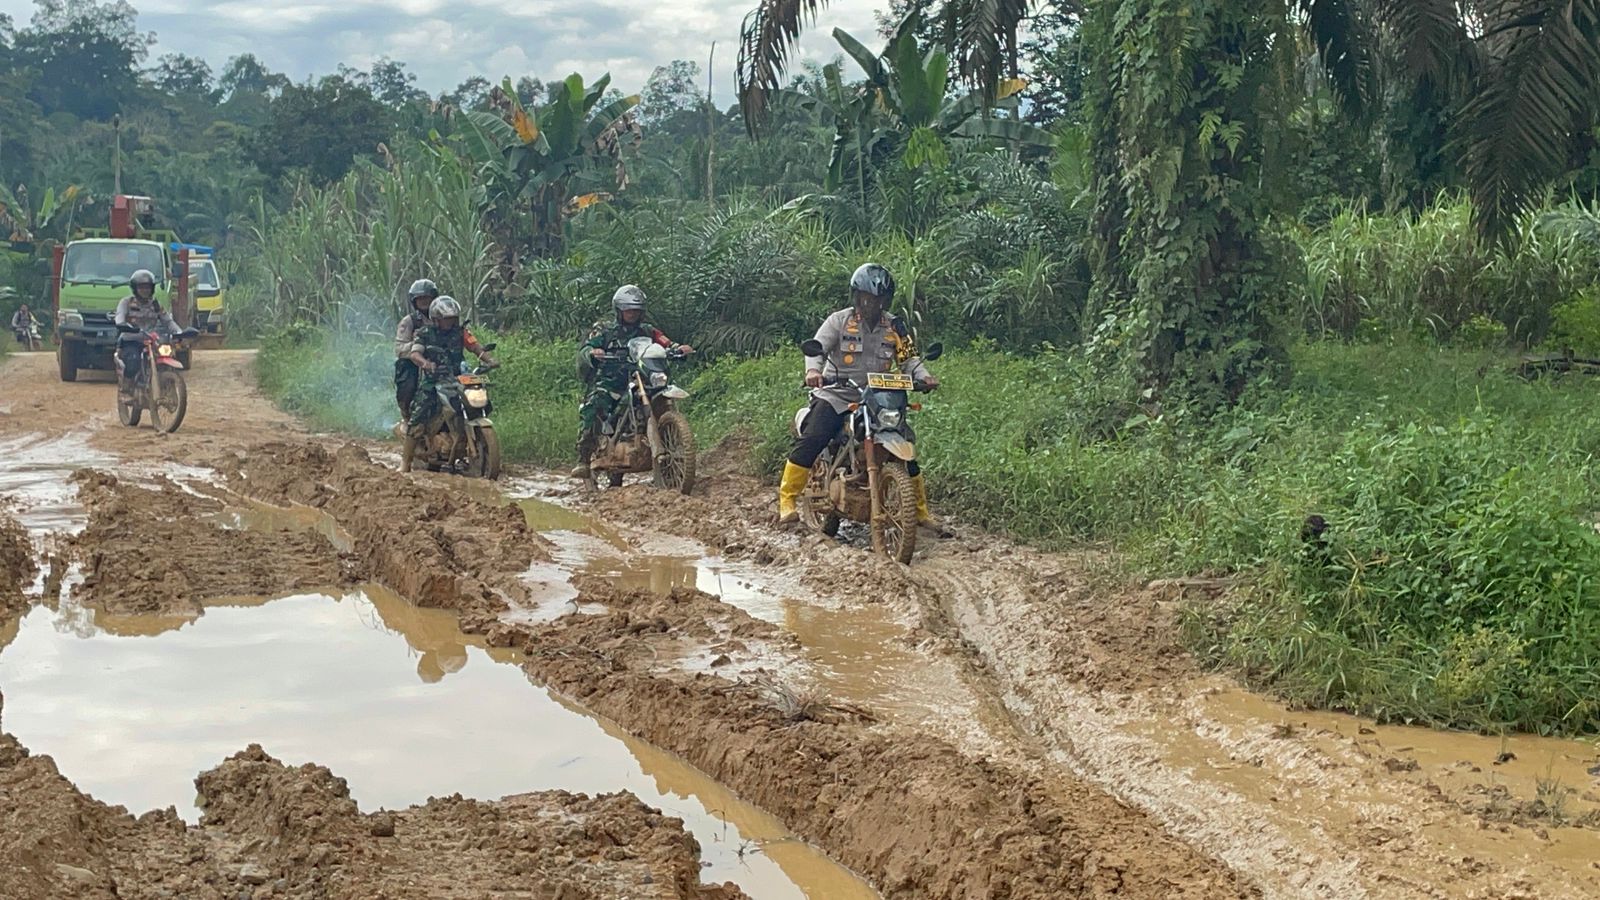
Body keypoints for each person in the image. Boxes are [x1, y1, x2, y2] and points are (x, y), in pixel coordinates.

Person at [777, 262, 941, 528]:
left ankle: (919, 511)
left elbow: (909, 359)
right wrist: (813, 373)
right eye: (867, 298)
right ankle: (787, 500)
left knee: (904, 442)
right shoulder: (839, 321)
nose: (873, 304)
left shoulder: (895, 326)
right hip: (839, 391)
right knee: (816, 435)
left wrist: (924, 377)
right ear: (857, 296)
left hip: (880, 396)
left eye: (880, 299)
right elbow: (816, 350)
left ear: (887, 300)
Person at [570, 285, 693, 479]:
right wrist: (593, 353)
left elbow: (665, 342)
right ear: (619, 310)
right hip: (611, 381)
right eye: (628, 310)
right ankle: (584, 458)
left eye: (636, 310)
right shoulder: (605, 330)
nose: (632, 314)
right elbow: (586, 348)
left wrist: (678, 348)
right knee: (595, 403)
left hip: (642, 377)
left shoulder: (648, 330)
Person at [403, 296, 498, 453]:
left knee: (479, 401)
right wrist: (426, 364)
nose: (450, 322)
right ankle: (406, 462)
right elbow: (415, 354)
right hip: (433, 380)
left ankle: (470, 437)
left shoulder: (461, 333)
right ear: (436, 319)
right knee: (418, 416)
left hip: (458, 378)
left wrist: (490, 361)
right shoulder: (424, 333)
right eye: (447, 319)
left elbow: (476, 348)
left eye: (453, 318)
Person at [113, 269, 178, 400]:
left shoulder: (155, 305)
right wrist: (123, 325)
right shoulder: (126, 302)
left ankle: (168, 386)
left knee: (168, 352)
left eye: (147, 287)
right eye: (141, 287)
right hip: (131, 340)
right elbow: (119, 317)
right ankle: (126, 389)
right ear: (135, 288)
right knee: (133, 361)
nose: (145, 290)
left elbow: (168, 321)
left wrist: (179, 333)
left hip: (152, 340)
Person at [394, 278, 439, 422]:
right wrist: (419, 345)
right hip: (415, 363)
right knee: (408, 384)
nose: (424, 301)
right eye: (420, 299)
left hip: (442, 361)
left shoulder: (443, 316)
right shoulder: (409, 321)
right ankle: (408, 418)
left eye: (427, 297)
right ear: (414, 301)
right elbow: (399, 348)